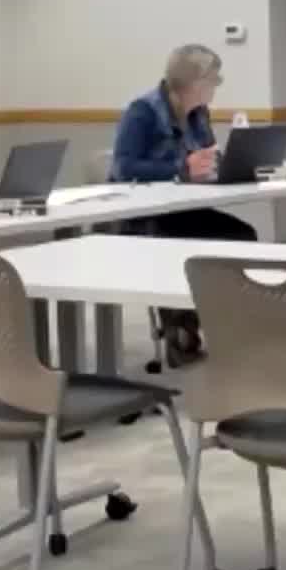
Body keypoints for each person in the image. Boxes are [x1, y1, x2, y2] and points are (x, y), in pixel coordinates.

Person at [110, 44, 259, 365]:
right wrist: (180, 168)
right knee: (183, 245)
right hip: (146, 217)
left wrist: (222, 165)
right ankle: (181, 330)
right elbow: (123, 168)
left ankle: (220, 323)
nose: (217, 86)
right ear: (195, 81)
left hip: (183, 209)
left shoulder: (199, 114)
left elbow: (203, 158)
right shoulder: (142, 111)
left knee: (241, 235)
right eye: (214, 79)